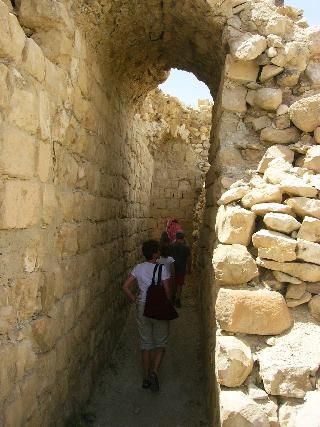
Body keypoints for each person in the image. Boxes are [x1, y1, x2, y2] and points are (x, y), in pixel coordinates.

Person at [122, 239, 171, 392]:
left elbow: (125, 286)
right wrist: (167, 305)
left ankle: (145, 378)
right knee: (161, 342)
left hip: (142, 306)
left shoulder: (138, 268)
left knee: (145, 343)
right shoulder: (162, 269)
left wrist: (134, 299)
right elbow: (168, 292)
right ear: (155, 253)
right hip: (158, 308)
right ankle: (154, 372)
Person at [170, 231, 191, 308]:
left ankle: (172, 297)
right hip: (182, 268)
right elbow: (189, 259)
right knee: (179, 284)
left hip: (172, 268)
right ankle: (178, 300)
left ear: (176, 238)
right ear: (183, 238)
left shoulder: (171, 246)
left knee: (173, 283)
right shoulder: (186, 247)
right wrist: (189, 268)